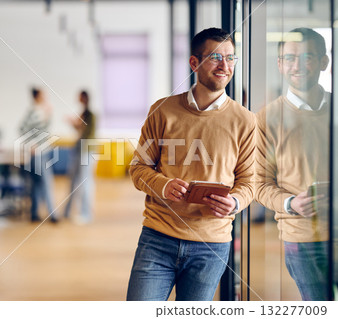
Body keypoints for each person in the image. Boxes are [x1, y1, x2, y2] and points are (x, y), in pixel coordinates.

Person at [126, 27, 255, 301]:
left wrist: (235, 202)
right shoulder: (162, 110)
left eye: (231, 58)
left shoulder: (245, 121)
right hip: (158, 238)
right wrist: (163, 186)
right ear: (194, 63)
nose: (225, 65)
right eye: (216, 57)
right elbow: (138, 169)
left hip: (211, 245)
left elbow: (250, 180)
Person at [255, 28, 331, 300]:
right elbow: (259, 184)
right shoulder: (268, 119)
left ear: (324, 62)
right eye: (289, 58)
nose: (297, 66)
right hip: (302, 238)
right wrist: (290, 204)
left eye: (307, 57)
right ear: (280, 64)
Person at [19, 88, 58, 223]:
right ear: (37, 96)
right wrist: (31, 143)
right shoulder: (33, 111)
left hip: (45, 150)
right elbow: (22, 128)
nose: (45, 97)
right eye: (43, 95)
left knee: (36, 184)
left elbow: (44, 128)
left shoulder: (40, 111)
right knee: (47, 183)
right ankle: (53, 214)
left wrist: (49, 115)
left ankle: (34, 213)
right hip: (38, 152)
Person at [64, 90, 96, 224]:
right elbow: (80, 130)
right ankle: (66, 212)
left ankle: (86, 214)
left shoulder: (91, 115)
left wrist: (76, 124)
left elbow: (86, 132)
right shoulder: (83, 113)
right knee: (73, 181)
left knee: (85, 182)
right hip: (79, 150)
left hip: (86, 151)